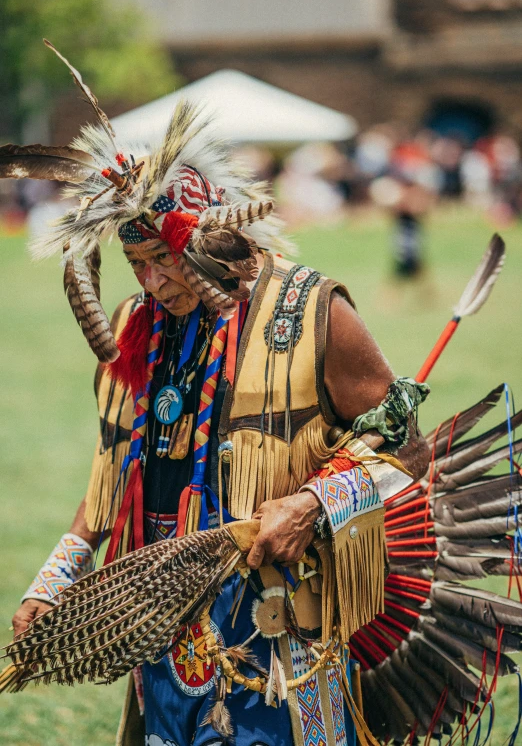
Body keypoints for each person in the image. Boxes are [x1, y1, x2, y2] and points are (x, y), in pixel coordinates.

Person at [6, 91, 430, 745]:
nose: (151, 282)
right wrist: (55, 577)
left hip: (283, 613)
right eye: (135, 265)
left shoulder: (313, 312)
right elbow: (108, 482)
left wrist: (315, 501)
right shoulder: (135, 332)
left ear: (210, 238)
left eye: (163, 259)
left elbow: (408, 445)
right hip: (160, 607)